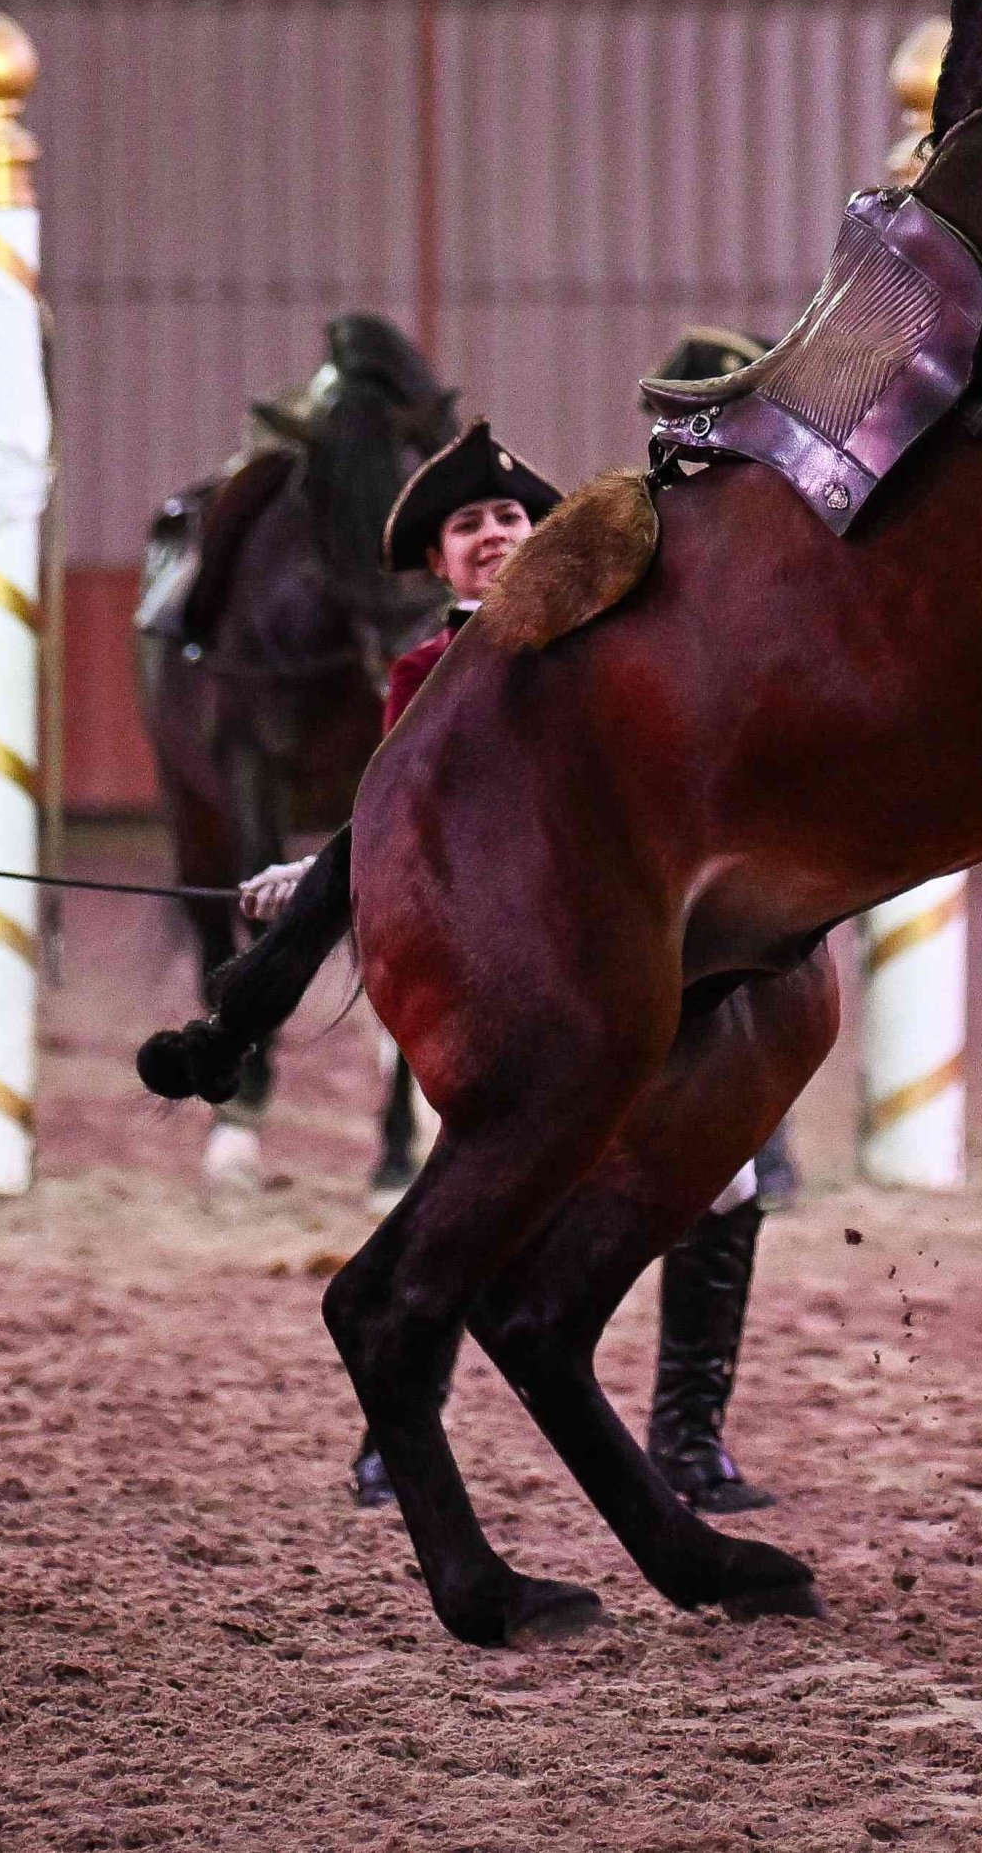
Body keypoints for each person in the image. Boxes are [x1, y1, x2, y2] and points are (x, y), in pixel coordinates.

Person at [225, 394, 790, 1520]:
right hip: (513, 986)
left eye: (507, 515)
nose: (492, 532)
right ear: (439, 562)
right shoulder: (428, 678)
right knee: (468, 1200)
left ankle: (689, 1440)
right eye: (466, 525)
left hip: (646, 964)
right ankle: (398, 1432)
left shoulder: (629, 646)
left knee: (724, 1181)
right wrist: (321, 879)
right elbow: (414, 828)